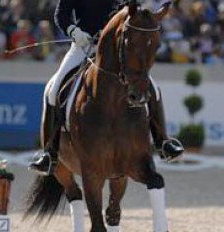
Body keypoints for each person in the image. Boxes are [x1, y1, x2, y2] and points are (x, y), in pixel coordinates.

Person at [29, 0, 184, 175]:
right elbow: (61, 16)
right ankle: (49, 153)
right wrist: (74, 31)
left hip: (114, 48)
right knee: (53, 90)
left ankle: (163, 142)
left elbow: (132, 11)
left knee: (153, 87)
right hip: (83, 45)